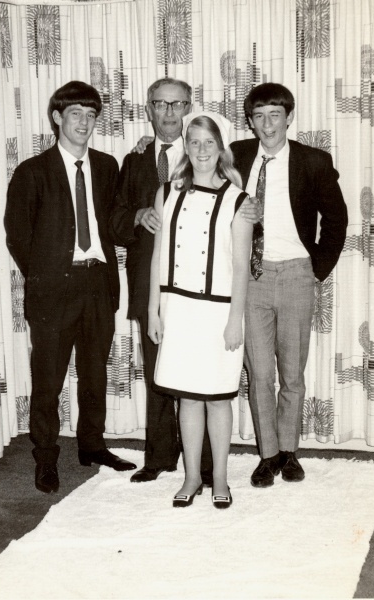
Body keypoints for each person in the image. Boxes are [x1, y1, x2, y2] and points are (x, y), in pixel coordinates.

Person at [4, 81, 136, 494]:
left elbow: (114, 220)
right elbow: (17, 235)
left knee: (95, 373)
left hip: (98, 283)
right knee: (49, 379)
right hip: (54, 290)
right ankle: (45, 457)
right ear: (57, 117)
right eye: (75, 113)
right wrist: (48, 275)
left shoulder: (107, 165)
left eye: (91, 115)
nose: (84, 122)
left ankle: (92, 446)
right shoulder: (33, 171)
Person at [230, 83, 348, 488]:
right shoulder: (237, 156)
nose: (267, 124)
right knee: (259, 374)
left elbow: (336, 222)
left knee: (292, 375)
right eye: (259, 116)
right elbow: (197, 162)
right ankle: (267, 456)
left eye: (275, 115)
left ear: (288, 117)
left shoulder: (313, 161)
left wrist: (318, 270)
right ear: (250, 121)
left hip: (298, 273)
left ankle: (290, 451)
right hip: (252, 278)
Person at [110, 78, 215, 484]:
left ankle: (204, 464)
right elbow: (114, 219)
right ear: (149, 109)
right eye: (160, 104)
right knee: (156, 372)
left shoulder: (202, 154)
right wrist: (136, 217)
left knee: (197, 377)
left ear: (188, 107)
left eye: (176, 104)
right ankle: (159, 458)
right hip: (147, 282)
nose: (169, 112)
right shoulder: (134, 161)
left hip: (196, 286)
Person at [148, 112, 253, 508]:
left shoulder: (239, 201)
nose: (202, 150)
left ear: (221, 147)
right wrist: (154, 310)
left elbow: (241, 266)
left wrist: (234, 321)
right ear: (185, 147)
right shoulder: (168, 191)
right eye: (194, 142)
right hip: (178, 308)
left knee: (217, 398)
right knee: (188, 398)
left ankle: (221, 479)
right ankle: (191, 478)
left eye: (209, 143)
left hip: (218, 313)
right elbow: (159, 255)